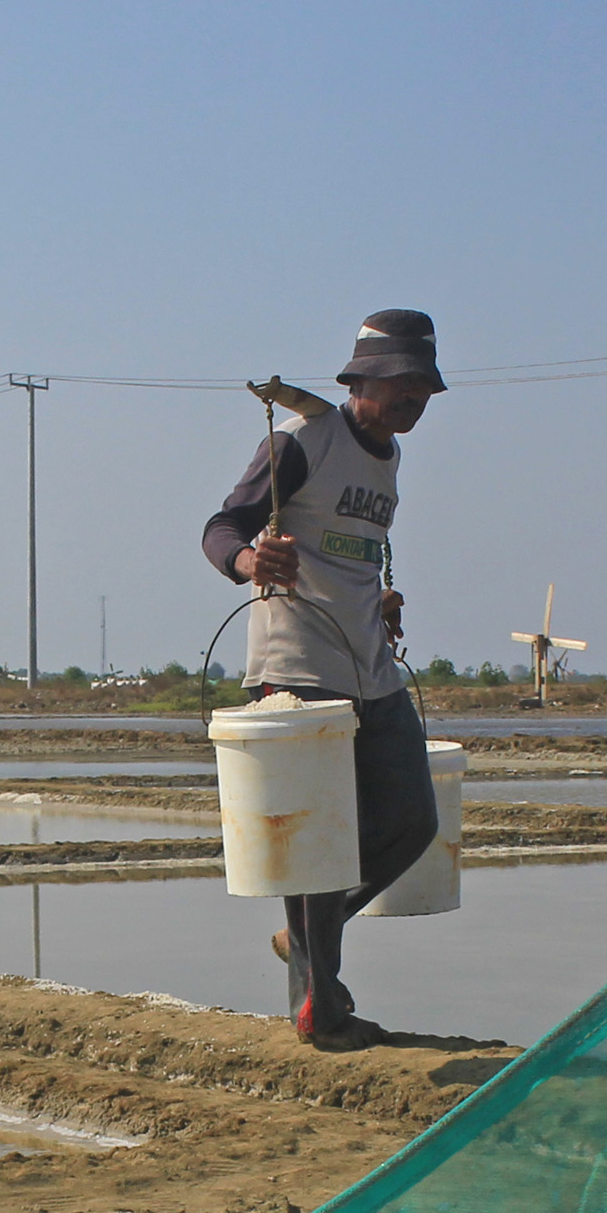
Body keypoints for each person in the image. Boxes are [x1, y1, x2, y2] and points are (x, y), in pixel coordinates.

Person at [200, 308, 445, 1049]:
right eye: (402, 384)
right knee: (318, 846)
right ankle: (321, 1009)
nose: (413, 401)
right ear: (361, 381)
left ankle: (307, 935)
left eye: (423, 388)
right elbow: (221, 528)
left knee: (414, 820)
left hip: (369, 665)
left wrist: (381, 596)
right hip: (297, 668)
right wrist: (251, 563)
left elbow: (354, 552)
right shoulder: (301, 442)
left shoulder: (390, 458)